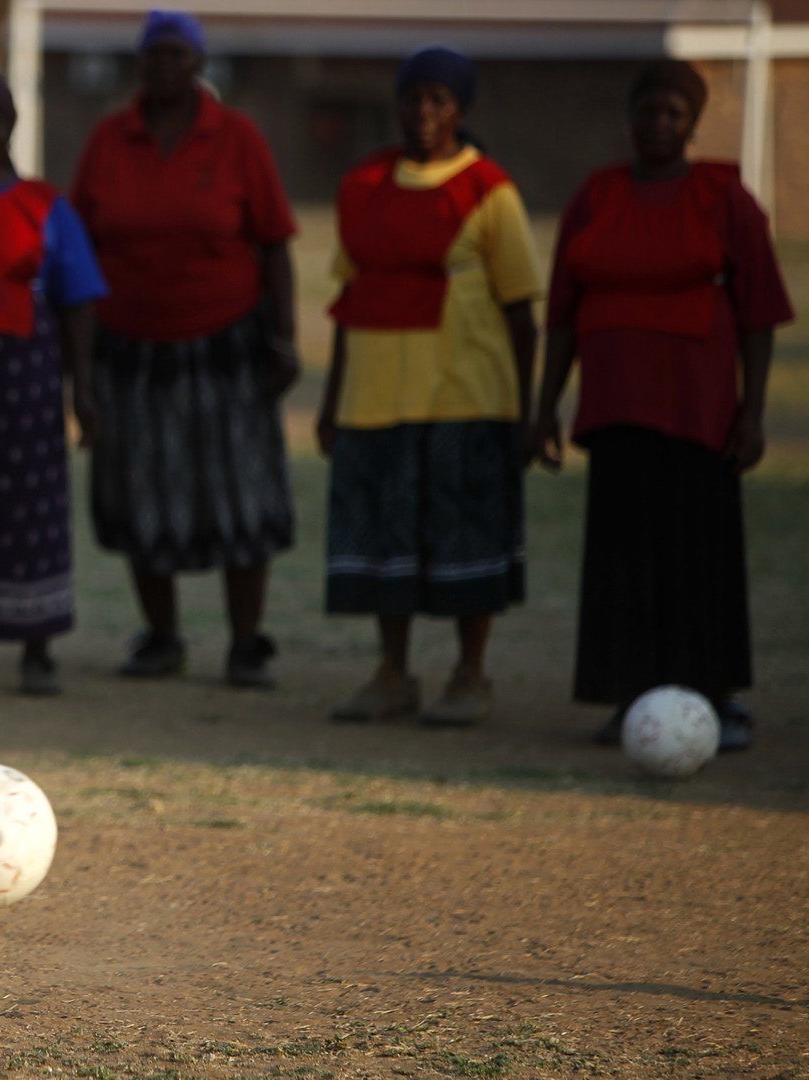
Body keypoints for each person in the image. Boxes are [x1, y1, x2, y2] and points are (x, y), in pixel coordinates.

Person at [530, 60, 790, 752]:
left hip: (697, 412)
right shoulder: (597, 196)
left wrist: (753, 411)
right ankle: (629, 695)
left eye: (672, 114)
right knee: (623, 558)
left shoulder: (722, 198)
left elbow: (759, 312)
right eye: (647, 111)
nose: (657, 126)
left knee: (697, 553)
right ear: (629, 116)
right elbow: (561, 314)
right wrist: (543, 408)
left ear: (692, 123)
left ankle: (715, 694)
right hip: (616, 409)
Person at [71, 11, 300, 688]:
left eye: (176, 53)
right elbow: (78, 258)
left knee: (241, 495)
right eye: (152, 54)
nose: (163, 65)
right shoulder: (110, 140)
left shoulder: (236, 138)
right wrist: (79, 374)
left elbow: (275, 244)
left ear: (197, 63)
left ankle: (246, 641)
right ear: (139, 64)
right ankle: (162, 637)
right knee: (141, 491)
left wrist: (284, 338)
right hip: (131, 352)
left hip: (226, 344)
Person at [317, 46, 540, 726]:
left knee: (466, 539)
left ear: (460, 110)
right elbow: (346, 301)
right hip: (374, 396)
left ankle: (469, 675)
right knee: (385, 545)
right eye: (412, 97)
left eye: (438, 100)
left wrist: (528, 412)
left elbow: (520, 311)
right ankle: (392, 673)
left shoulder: (488, 191)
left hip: (464, 396)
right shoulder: (360, 187)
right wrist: (330, 401)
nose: (422, 112)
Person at [0, 77, 108, 695]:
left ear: (12, 127)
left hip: (30, 372)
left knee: (34, 503)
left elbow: (79, 299)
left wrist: (82, 389)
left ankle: (38, 642)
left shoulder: (45, 204)